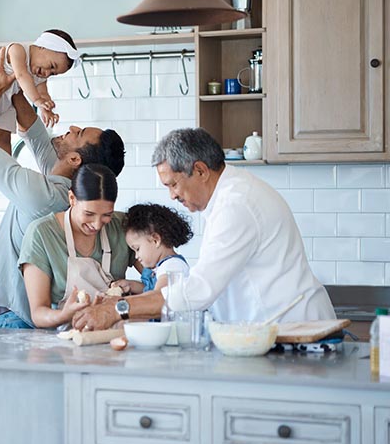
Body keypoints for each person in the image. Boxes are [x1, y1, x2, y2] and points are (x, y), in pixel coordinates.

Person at [72, 128, 335, 331]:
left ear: (200, 170)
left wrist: (117, 308)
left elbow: (198, 291)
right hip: (276, 328)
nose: (172, 195)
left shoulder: (236, 205)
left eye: (173, 184)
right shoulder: (231, 195)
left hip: (292, 330)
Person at [0, 46, 125, 329]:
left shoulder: (45, 198)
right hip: (32, 319)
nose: (72, 127)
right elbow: (35, 133)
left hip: (17, 319)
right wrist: (14, 82)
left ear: (74, 159)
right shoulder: (64, 182)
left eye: (79, 133)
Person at [19, 164, 136, 329]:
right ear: (72, 198)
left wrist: (135, 286)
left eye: (106, 215)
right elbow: (38, 313)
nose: (96, 224)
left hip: (115, 335)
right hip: (65, 339)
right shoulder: (42, 233)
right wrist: (63, 315)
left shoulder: (122, 226)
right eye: (89, 214)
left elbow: (158, 275)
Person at [0, 29, 79, 191]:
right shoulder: (18, 50)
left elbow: (42, 89)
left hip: (7, 99)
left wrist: (46, 107)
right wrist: (37, 101)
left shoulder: (40, 71)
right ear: (43, 47)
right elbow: (22, 76)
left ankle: (6, 170)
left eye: (53, 73)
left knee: (3, 137)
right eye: (51, 66)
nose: (47, 73)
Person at [111, 203, 192, 295]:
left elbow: (157, 297)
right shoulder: (158, 268)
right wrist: (130, 285)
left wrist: (126, 303)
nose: (136, 256)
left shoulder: (173, 266)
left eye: (137, 249)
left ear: (155, 240)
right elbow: (149, 289)